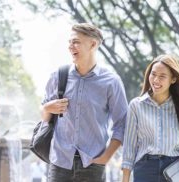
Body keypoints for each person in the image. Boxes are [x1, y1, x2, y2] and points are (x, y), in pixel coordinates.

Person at [40, 22, 128, 182]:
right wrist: (47, 108)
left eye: (76, 42)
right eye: (69, 42)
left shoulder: (111, 82)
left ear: (93, 44)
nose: (70, 47)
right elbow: (44, 116)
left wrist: (105, 157)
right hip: (59, 162)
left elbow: (122, 124)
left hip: (93, 164)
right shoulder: (57, 76)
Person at [122, 54, 179, 182]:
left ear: (173, 79)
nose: (156, 80)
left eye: (162, 76)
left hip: (175, 170)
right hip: (145, 170)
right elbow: (129, 148)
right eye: (153, 74)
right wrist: (125, 179)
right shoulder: (136, 106)